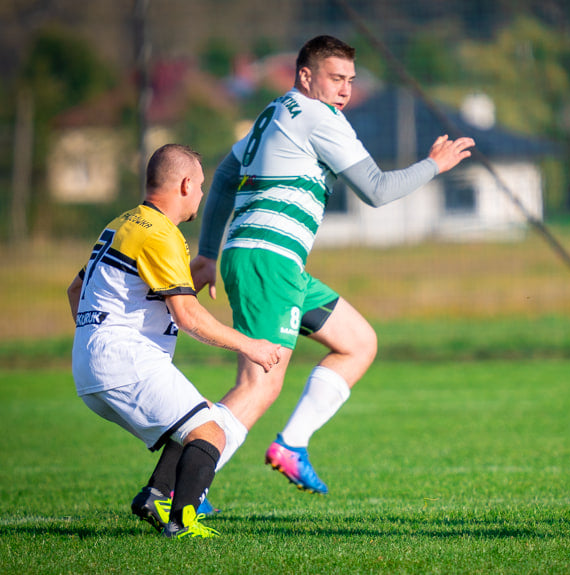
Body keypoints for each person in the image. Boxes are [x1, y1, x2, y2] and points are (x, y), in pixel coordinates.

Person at [191, 35, 475, 494]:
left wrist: (208, 253)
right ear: (306, 76)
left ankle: (292, 445)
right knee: (257, 386)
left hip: (272, 262)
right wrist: (433, 165)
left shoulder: (276, 109)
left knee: (358, 342)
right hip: (269, 262)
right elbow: (377, 190)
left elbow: (224, 176)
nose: (345, 89)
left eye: (350, 80)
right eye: (336, 78)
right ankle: (175, 491)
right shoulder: (320, 118)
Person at [67, 144, 283, 538]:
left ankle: (156, 495)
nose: (201, 193)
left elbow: (75, 288)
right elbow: (187, 316)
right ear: (185, 185)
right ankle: (181, 524)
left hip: (90, 359)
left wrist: (92, 341)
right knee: (210, 432)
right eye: (200, 185)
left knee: (194, 418)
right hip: (124, 357)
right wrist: (249, 345)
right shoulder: (161, 234)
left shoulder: (122, 224)